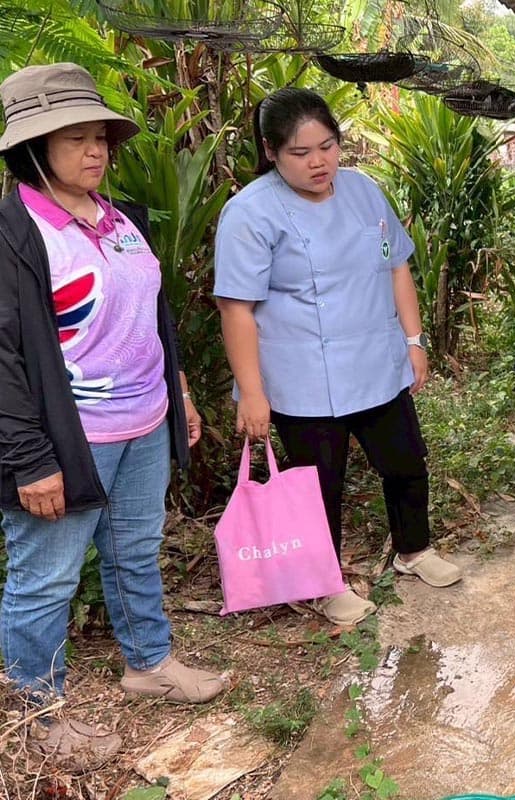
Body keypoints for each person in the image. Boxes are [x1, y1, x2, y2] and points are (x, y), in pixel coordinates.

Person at [0, 63, 228, 770]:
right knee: (46, 578)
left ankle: (148, 663)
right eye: (74, 139)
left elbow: (149, 316)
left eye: (100, 137)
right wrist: (30, 460)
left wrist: (179, 390)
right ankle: (37, 713)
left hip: (143, 425)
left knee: (134, 552)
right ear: (32, 149)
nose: (95, 152)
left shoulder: (116, 217)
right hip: (71, 441)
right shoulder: (17, 233)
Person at [214, 88, 460, 628]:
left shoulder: (364, 191)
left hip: (377, 360)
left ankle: (413, 551)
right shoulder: (250, 212)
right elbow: (236, 309)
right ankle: (326, 584)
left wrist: (414, 342)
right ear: (271, 151)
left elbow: (397, 267)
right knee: (317, 484)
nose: (319, 162)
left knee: (405, 463)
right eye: (301, 153)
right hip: (302, 377)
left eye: (328, 146)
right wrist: (252, 393)